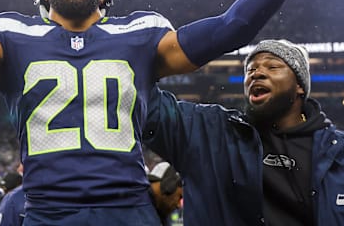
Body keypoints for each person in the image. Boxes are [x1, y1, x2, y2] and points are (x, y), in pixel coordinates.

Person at [0, 0, 342, 225]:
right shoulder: (11, 35)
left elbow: (229, 28)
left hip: (129, 210)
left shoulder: (139, 33)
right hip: (48, 212)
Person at [144, 39, 344, 225]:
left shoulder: (338, 152)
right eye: (250, 69)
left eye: (273, 66)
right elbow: (146, 106)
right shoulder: (211, 132)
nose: (256, 73)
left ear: (300, 86)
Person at [147, 162, 183, 226]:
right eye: (179, 197)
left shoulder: (161, 212)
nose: (179, 205)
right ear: (168, 187)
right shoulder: (138, 212)